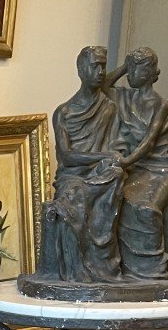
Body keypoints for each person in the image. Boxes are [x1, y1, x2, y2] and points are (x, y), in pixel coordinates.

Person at [109, 47, 168, 280]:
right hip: (138, 169)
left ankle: (151, 270)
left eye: (135, 69)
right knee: (109, 200)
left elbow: (148, 142)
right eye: (129, 69)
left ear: (147, 72)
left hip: (166, 168)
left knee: (144, 207)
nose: (129, 74)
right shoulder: (124, 97)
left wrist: (124, 162)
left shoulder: (161, 104)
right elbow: (101, 86)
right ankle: (125, 269)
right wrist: (124, 65)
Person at [49, 45, 124, 282]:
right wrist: (102, 157)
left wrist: (108, 161)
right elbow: (67, 156)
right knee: (73, 198)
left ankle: (104, 268)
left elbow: (114, 150)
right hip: (72, 176)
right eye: (95, 65)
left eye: (103, 65)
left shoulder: (109, 108)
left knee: (116, 174)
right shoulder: (64, 112)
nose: (101, 71)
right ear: (81, 70)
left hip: (99, 174)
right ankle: (77, 273)